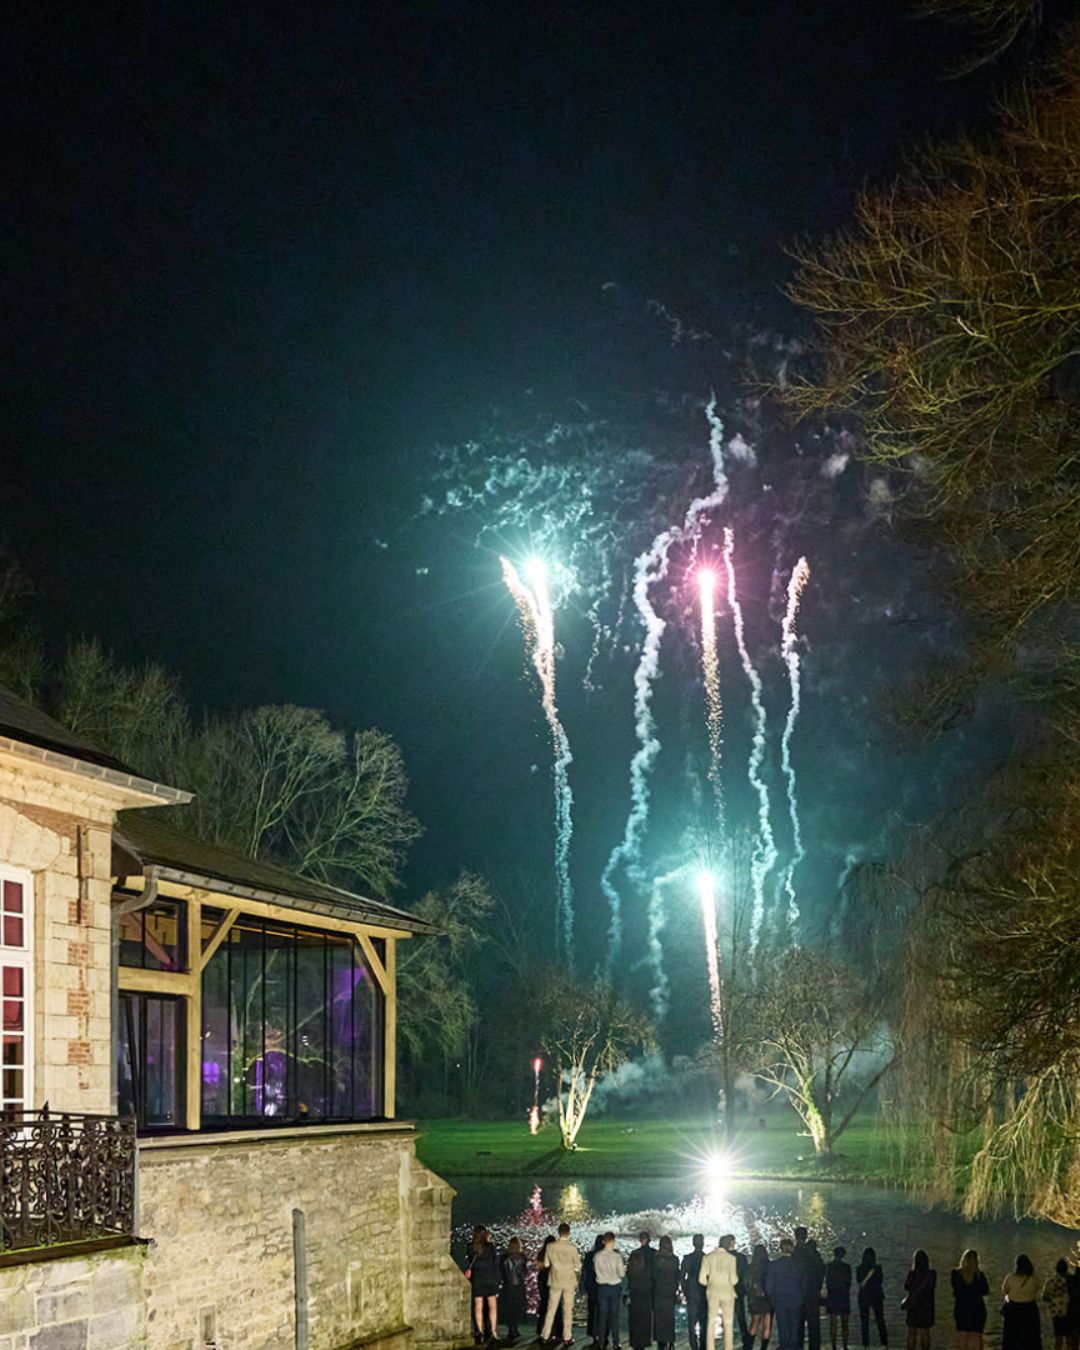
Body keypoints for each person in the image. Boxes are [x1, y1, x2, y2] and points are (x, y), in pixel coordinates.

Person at [541, 1223, 583, 1347]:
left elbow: (547, 1264)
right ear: (568, 1233)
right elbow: (578, 1267)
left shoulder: (550, 1247)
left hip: (555, 1280)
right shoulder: (572, 1248)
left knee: (551, 1309)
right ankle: (567, 1337)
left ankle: (545, 1335)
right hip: (569, 1281)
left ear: (558, 1232)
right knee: (567, 1311)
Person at [701, 1235, 740, 1350]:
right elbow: (733, 1280)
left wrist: (710, 1283)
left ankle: (710, 1347)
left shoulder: (707, 1257)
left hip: (712, 1292)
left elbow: (701, 1279)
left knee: (711, 1321)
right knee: (728, 1322)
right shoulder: (731, 1259)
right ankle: (728, 1347)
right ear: (729, 1244)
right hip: (727, 1293)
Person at [767, 1239, 806, 1350]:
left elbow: (769, 1285)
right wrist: (801, 1297)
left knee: (782, 1326)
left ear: (781, 1248)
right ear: (792, 1248)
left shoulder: (773, 1265)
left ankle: (784, 1347)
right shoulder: (798, 1265)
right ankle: (792, 1347)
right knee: (794, 1326)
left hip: (779, 1300)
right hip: (795, 1298)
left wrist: (772, 1299)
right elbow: (803, 1283)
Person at [467, 1224, 501, 1345]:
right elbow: (495, 1261)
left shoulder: (470, 1247)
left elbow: (471, 1261)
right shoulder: (490, 1247)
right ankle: (493, 1332)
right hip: (490, 1279)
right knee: (492, 1306)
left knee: (478, 1307)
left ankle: (480, 1332)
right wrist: (489, 1240)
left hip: (477, 1279)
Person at [793, 1228, 825, 1350]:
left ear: (795, 1236)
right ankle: (814, 1347)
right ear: (806, 1236)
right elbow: (821, 1269)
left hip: (797, 1293)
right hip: (812, 1293)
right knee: (814, 1325)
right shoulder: (813, 1253)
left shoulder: (794, 1253)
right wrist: (818, 1286)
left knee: (797, 1325)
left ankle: (798, 1346)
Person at [951, 1249, 989, 1350]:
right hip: (977, 1309)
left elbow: (955, 1291)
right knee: (976, 1337)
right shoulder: (979, 1275)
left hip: (961, 1309)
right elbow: (986, 1291)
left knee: (962, 1336)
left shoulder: (955, 1274)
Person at [1002, 1254, 1042, 1350]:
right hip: (1029, 1310)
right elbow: (1036, 1289)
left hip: (1013, 1310)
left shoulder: (1010, 1278)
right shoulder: (1033, 1279)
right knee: (1030, 1339)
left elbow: (1004, 1290)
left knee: (1012, 1338)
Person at [595, 1232, 626, 1350]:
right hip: (614, 1288)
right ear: (613, 1241)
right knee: (614, 1316)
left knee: (602, 1316)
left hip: (602, 1288)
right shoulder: (617, 1257)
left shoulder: (597, 1256)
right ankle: (616, 1342)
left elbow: (596, 1271)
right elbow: (622, 1274)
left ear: (603, 1241)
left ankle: (601, 1341)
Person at [627, 1231, 656, 1350]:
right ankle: (645, 1340)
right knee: (645, 1319)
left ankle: (635, 1343)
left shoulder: (635, 1254)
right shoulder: (654, 1253)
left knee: (635, 1320)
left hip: (635, 1294)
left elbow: (628, 1274)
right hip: (647, 1292)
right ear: (649, 1240)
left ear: (640, 1240)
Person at [903, 1250, 937, 1350]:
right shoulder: (931, 1274)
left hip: (913, 1306)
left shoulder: (912, 1274)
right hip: (926, 1307)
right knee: (925, 1332)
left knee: (911, 1332)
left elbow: (906, 1286)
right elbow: (931, 1288)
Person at [856, 1249, 887, 1349]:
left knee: (864, 1322)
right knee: (880, 1320)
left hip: (864, 1296)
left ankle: (866, 1345)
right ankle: (884, 1343)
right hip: (876, 1295)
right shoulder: (878, 1268)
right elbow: (880, 1281)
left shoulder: (860, 1268)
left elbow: (859, 1281)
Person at [683, 1235, 710, 1350]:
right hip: (704, 1293)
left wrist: (685, 1290)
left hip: (692, 1292)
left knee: (691, 1323)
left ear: (693, 1243)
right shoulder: (707, 1258)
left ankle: (694, 1346)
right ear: (703, 1243)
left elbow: (682, 1276)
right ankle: (703, 1346)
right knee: (704, 1322)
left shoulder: (687, 1258)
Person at [501, 1236, 528, 1345]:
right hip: (518, 1285)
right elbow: (524, 1272)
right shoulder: (522, 1258)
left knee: (509, 1308)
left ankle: (511, 1329)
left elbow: (502, 1271)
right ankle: (515, 1329)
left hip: (508, 1285)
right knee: (517, 1307)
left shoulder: (504, 1257)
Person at [654, 1236, 680, 1350]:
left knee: (659, 1318)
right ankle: (671, 1341)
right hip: (670, 1292)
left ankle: (661, 1342)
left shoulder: (655, 1259)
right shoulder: (674, 1259)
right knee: (670, 1318)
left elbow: (653, 1276)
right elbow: (677, 1276)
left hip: (658, 1291)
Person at [826, 1247, 852, 1350]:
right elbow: (848, 1282)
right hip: (843, 1296)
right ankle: (845, 1346)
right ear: (843, 1255)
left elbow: (828, 1282)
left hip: (832, 1296)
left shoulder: (829, 1266)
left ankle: (834, 1346)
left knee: (833, 1322)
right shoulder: (846, 1267)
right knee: (845, 1323)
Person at [747, 1243, 773, 1350]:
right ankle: (763, 1348)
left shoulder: (750, 1267)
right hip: (767, 1298)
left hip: (755, 1299)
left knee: (754, 1324)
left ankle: (748, 1347)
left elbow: (747, 1284)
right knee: (767, 1326)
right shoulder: (770, 1266)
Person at [583, 1236, 605, 1347]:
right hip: (604, 1287)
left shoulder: (589, 1255)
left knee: (592, 1312)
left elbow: (585, 1273)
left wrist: (583, 1287)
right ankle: (604, 1334)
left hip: (592, 1287)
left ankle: (593, 1334)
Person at [1042, 1258, 1070, 1350]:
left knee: (1058, 1338)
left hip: (1056, 1312)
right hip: (1069, 1311)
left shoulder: (1050, 1282)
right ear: (1066, 1269)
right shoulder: (1071, 1281)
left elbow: (1044, 1297)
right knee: (1070, 1339)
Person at [537, 1236, 556, 1340]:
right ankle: (554, 1331)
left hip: (543, 1282)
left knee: (544, 1307)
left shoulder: (541, 1254)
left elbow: (540, 1267)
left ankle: (542, 1330)